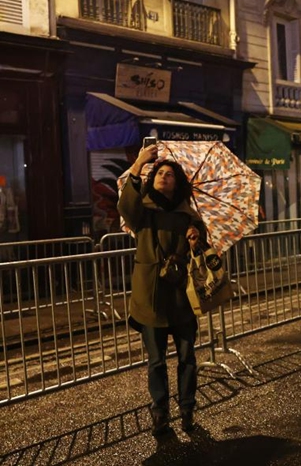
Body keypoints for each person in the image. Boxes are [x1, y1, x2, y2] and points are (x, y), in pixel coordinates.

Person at [118, 147, 205, 436]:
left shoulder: (188, 215)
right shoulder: (141, 211)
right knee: (156, 361)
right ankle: (160, 412)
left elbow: (203, 250)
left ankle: (187, 409)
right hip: (150, 296)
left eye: (170, 174)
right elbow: (125, 208)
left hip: (182, 296)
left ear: (178, 183)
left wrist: (196, 240)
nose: (164, 177)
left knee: (187, 358)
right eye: (160, 173)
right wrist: (140, 163)